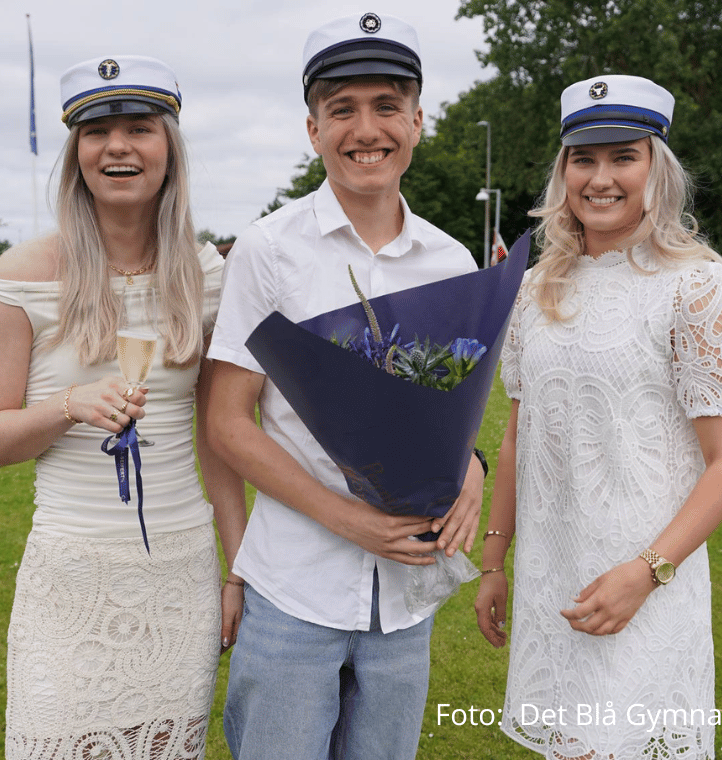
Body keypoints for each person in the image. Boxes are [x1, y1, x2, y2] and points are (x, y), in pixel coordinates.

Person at [206, 13, 486, 759]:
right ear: (312, 128)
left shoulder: (452, 260)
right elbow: (228, 423)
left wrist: (476, 468)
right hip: (294, 589)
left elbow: (454, 416)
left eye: (387, 106)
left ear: (418, 121)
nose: (367, 129)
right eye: (342, 109)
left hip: (405, 601)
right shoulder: (269, 250)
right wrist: (346, 518)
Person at [474, 75, 722, 759]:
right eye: (583, 158)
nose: (601, 178)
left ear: (656, 168)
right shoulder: (537, 287)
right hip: (556, 577)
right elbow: (519, 433)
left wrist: (648, 571)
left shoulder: (699, 287)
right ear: (563, 171)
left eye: (622, 157)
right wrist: (494, 559)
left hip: (646, 582)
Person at [0, 55, 246, 760]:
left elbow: (219, 436)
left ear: (168, 150)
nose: (117, 146)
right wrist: (68, 403)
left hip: (178, 569)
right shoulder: (22, 276)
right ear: (78, 154)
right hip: (71, 575)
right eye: (97, 131)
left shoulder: (208, 274)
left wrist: (235, 569)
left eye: (139, 128)